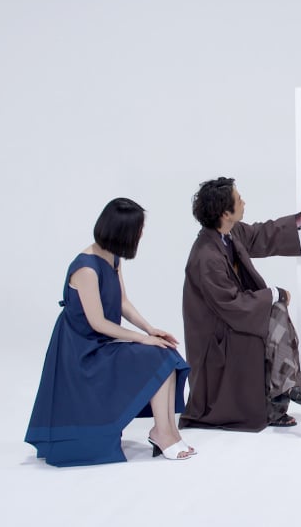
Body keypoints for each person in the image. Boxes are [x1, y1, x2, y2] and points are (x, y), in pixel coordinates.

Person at [25, 198, 193, 466]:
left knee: (167, 355)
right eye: (138, 229)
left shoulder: (112, 257)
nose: (141, 234)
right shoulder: (86, 268)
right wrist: (142, 339)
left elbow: (122, 302)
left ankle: (167, 432)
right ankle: (163, 434)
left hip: (103, 342)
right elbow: (98, 323)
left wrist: (150, 329)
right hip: (84, 351)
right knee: (156, 356)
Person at [179, 177, 301, 431]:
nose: (244, 202)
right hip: (216, 338)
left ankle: (285, 390)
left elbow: (262, 234)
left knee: (276, 310)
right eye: (239, 199)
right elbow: (231, 304)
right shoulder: (206, 256)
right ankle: (284, 392)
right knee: (274, 311)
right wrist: (273, 294)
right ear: (225, 213)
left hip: (231, 319)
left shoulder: (229, 234)